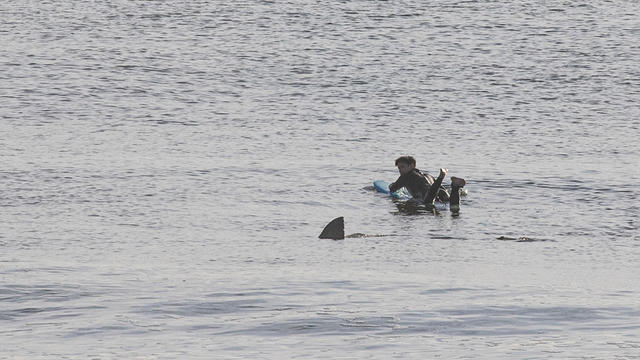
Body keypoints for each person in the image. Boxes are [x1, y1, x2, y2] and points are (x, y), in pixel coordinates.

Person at [389, 155, 466, 213]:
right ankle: (455, 187)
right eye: (399, 168)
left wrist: (391, 185)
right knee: (453, 206)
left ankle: (441, 177)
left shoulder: (405, 177)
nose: (400, 170)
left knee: (428, 202)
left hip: (429, 195)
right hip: (441, 192)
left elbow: (393, 189)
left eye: (402, 167)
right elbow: (442, 188)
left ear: (412, 165)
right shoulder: (427, 175)